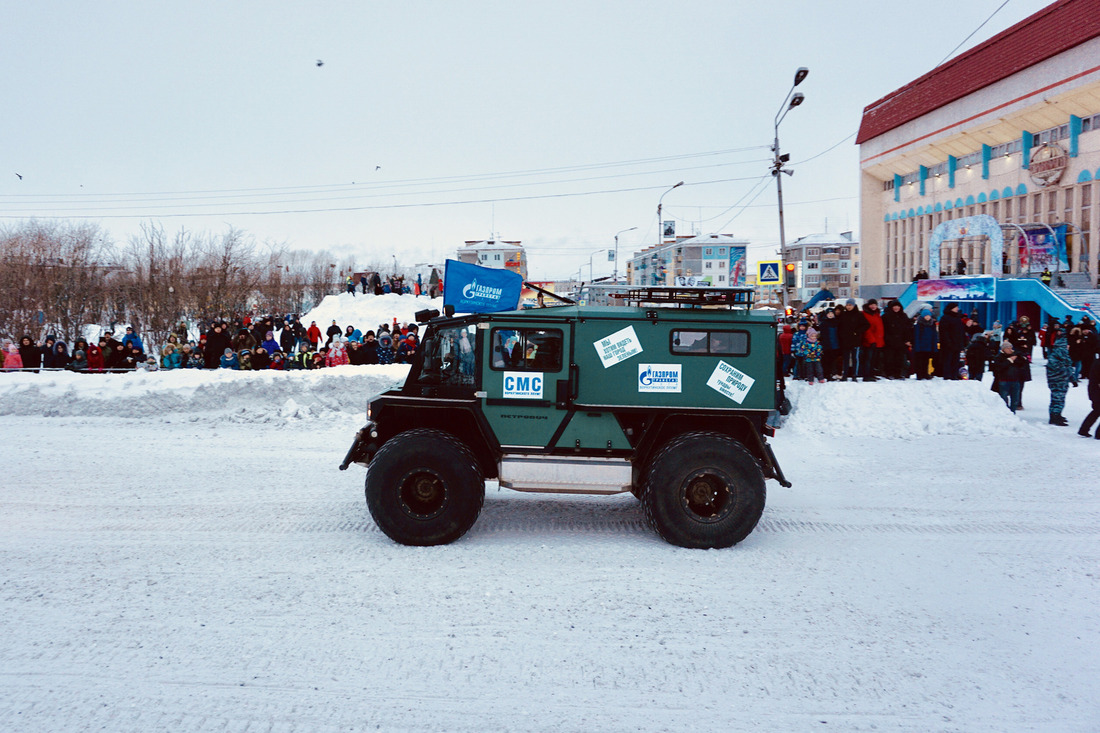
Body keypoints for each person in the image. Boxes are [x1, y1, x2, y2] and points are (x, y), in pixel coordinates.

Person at [991, 341, 1029, 413]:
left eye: (1011, 348)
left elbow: (1022, 365)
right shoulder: (999, 357)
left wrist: (1021, 357)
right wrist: (1009, 360)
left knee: (1015, 400)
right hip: (1003, 381)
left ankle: (1013, 413)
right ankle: (1005, 413)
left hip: (1015, 381)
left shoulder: (1015, 356)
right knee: (1003, 399)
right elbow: (998, 368)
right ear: (1003, 349)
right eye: (1008, 348)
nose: (1010, 350)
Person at [1046, 323, 1072, 426]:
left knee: (1056, 399)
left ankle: (1056, 415)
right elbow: (1065, 366)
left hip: (1058, 380)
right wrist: (1068, 374)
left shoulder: (1056, 354)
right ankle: (1055, 417)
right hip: (1058, 381)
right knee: (1058, 399)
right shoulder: (1058, 355)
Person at [837, 299, 867, 381]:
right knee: (845, 358)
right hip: (845, 340)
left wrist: (857, 332)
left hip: (855, 340)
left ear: (854, 306)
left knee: (855, 358)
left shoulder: (859, 314)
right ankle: (845, 375)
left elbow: (866, 325)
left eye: (850, 305)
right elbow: (839, 326)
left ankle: (854, 375)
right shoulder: (843, 314)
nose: (849, 307)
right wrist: (841, 335)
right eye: (847, 305)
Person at [881, 300, 912, 379]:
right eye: (894, 306)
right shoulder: (886, 316)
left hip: (901, 341)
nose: (896, 308)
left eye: (898, 306)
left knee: (900, 358)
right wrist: (887, 339)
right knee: (889, 358)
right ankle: (889, 373)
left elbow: (908, 328)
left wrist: (907, 339)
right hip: (890, 341)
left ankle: (898, 373)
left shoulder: (904, 316)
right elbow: (883, 329)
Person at [938, 303, 967, 380]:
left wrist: (963, 341)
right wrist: (948, 342)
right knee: (947, 360)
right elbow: (944, 332)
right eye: (956, 307)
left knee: (956, 360)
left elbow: (961, 331)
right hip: (948, 344)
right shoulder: (945, 318)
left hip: (957, 343)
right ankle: (947, 375)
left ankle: (954, 374)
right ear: (951, 308)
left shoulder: (957, 318)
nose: (957, 308)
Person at [860, 300, 884, 382]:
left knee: (874, 359)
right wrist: (871, 340)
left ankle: (871, 374)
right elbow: (867, 329)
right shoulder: (865, 314)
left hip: (878, 341)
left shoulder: (877, 314)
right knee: (868, 359)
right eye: (871, 305)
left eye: (875, 305)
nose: (873, 306)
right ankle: (866, 375)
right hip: (869, 341)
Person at [912, 308, 938, 380]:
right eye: (926, 316)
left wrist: (934, 347)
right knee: (919, 361)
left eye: (929, 316)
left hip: (928, 346)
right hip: (920, 347)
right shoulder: (918, 325)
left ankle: (925, 373)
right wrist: (917, 347)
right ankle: (919, 374)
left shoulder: (932, 325)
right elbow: (916, 337)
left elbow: (934, 336)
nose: (927, 317)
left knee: (926, 361)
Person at [1077, 359, 1100, 438]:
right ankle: (1098, 434)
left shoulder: (1097, 362)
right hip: (1096, 390)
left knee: (1096, 411)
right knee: (1097, 411)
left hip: (1094, 390)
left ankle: (1083, 430)